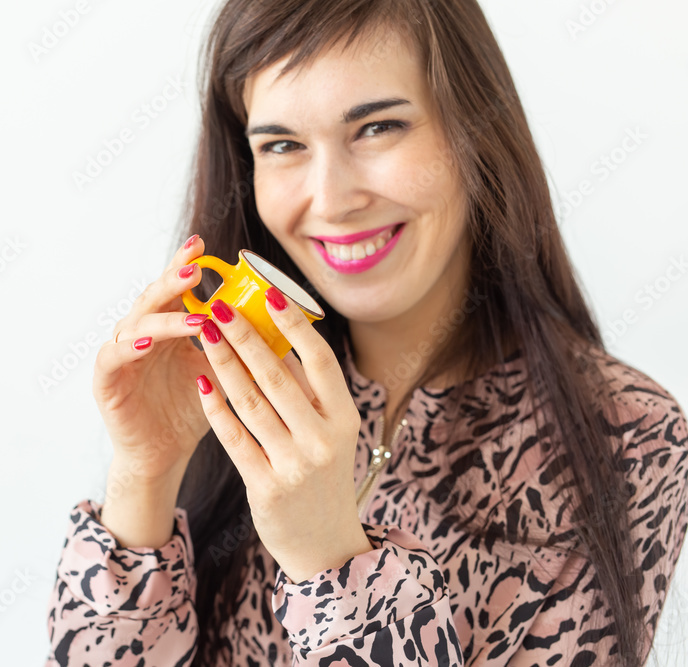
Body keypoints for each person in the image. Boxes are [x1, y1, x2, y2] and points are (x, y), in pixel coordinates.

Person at [44, 0, 688, 664]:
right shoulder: (226, 389)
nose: (330, 200)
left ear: (474, 130)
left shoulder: (626, 438)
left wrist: (329, 559)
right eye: (282, 145)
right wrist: (146, 474)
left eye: (378, 127)